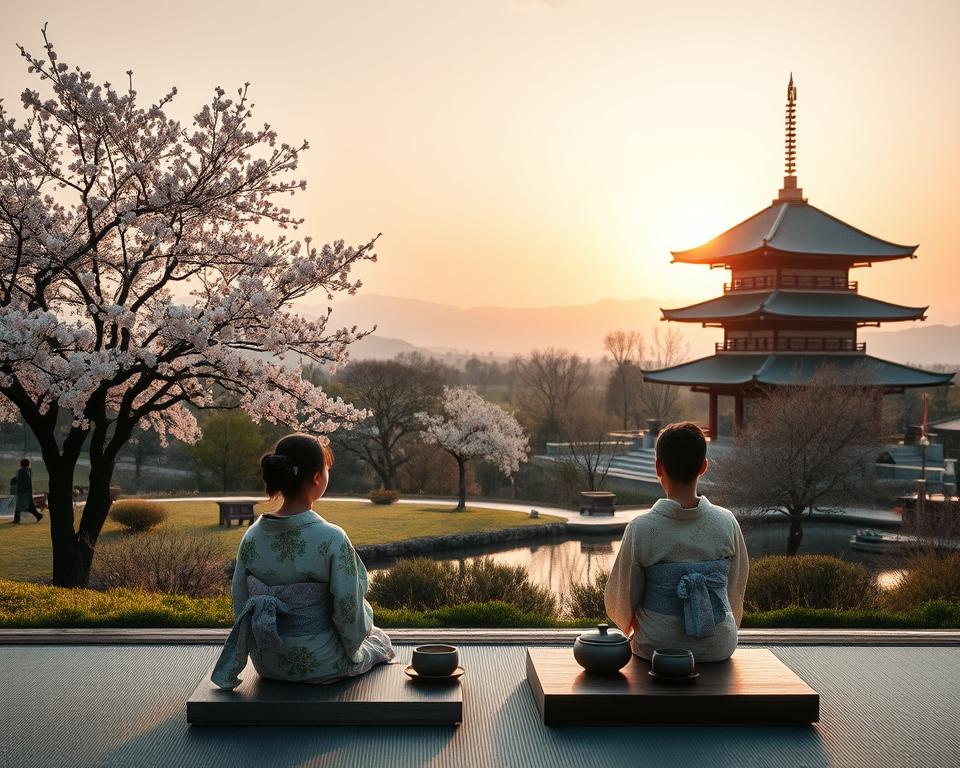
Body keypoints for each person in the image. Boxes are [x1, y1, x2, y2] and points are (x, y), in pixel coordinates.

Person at [212, 433, 394, 689]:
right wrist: (355, 644)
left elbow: (240, 598)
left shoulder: (252, 535)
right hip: (321, 663)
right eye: (327, 469)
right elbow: (348, 609)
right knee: (379, 641)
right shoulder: (331, 538)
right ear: (318, 477)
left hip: (267, 662)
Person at [604, 422, 749, 662]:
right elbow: (735, 589)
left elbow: (621, 599)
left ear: (658, 467)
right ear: (703, 467)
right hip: (718, 647)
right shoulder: (727, 522)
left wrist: (631, 628)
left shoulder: (641, 529)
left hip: (657, 648)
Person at [14, 459, 43, 524]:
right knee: (25, 506)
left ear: (21, 464)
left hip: (22, 492)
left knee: (21, 506)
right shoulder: (28, 471)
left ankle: (17, 519)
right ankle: (38, 516)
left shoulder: (21, 471)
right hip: (27, 491)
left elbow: (20, 482)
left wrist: (18, 490)